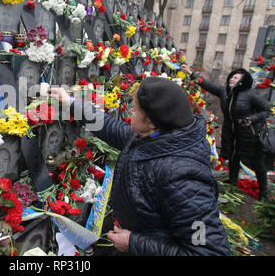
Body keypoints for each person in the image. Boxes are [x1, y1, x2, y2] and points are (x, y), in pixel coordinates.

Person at [49, 77, 230, 255]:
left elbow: (208, 251)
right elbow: (111, 127)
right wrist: (70, 102)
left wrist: (134, 243)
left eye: (134, 110)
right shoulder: (157, 139)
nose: (129, 112)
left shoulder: (184, 180)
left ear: (151, 122)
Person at [181, 65, 271, 200]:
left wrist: (252, 119)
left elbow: (266, 111)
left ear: (243, 81)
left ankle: (264, 194)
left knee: (258, 163)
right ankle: (232, 186)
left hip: (250, 134)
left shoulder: (250, 95)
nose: (232, 79)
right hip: (232, 134)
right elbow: (208, 85)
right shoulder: (225, 92)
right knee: (234, 158)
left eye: (236, 78)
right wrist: (191, 73)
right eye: (232, 77)